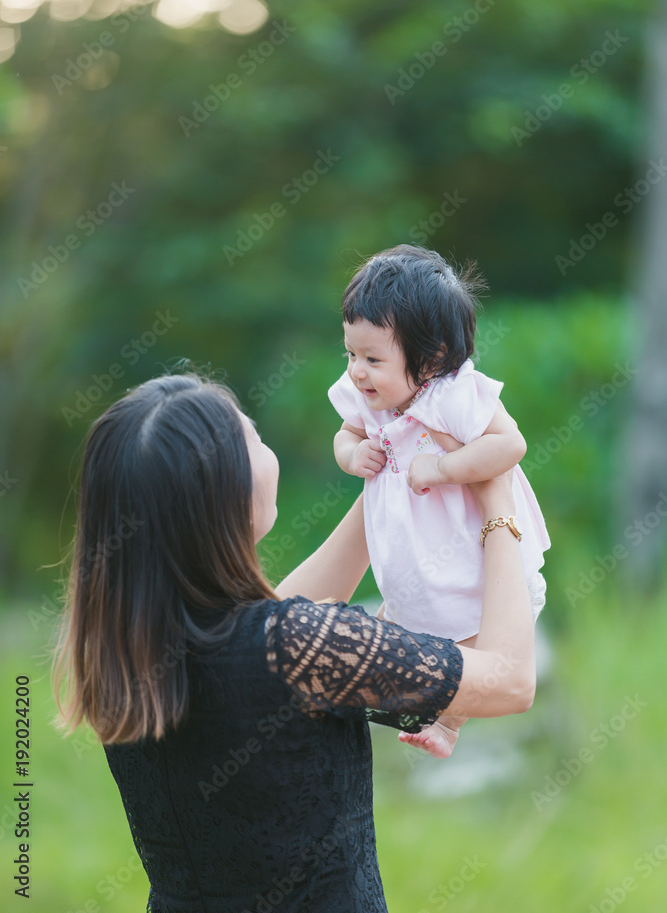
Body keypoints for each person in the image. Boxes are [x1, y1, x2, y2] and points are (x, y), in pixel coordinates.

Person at [52, 370, 535, 913]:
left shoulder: (125, 650)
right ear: (224, 494)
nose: (266, 447)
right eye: (254, 438)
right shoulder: (299, 645)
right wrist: (498, 506)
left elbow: (267, 630)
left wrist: (396, 467)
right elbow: (509, 682)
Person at [329, 244, 550, 756]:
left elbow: (510, 445)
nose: (357, 371)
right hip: (410, 548)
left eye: (372, 358)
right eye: (351, 353)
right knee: (395, 620)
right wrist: (352, 453)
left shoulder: (451, 395)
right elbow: (344, 432)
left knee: (474, 640)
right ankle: (369, 711)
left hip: (471, 545)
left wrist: (444, 468)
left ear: (429, 360)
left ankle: (448, 726)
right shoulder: (370, 394)